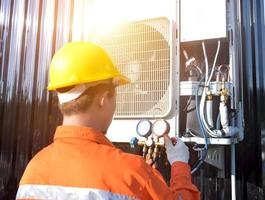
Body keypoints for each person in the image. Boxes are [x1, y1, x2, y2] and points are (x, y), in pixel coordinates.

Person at [16, 42, 200, 199]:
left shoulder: (33, 170)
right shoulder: (132, 173)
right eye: (115, 96)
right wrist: (179, 163)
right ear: (103, 99)